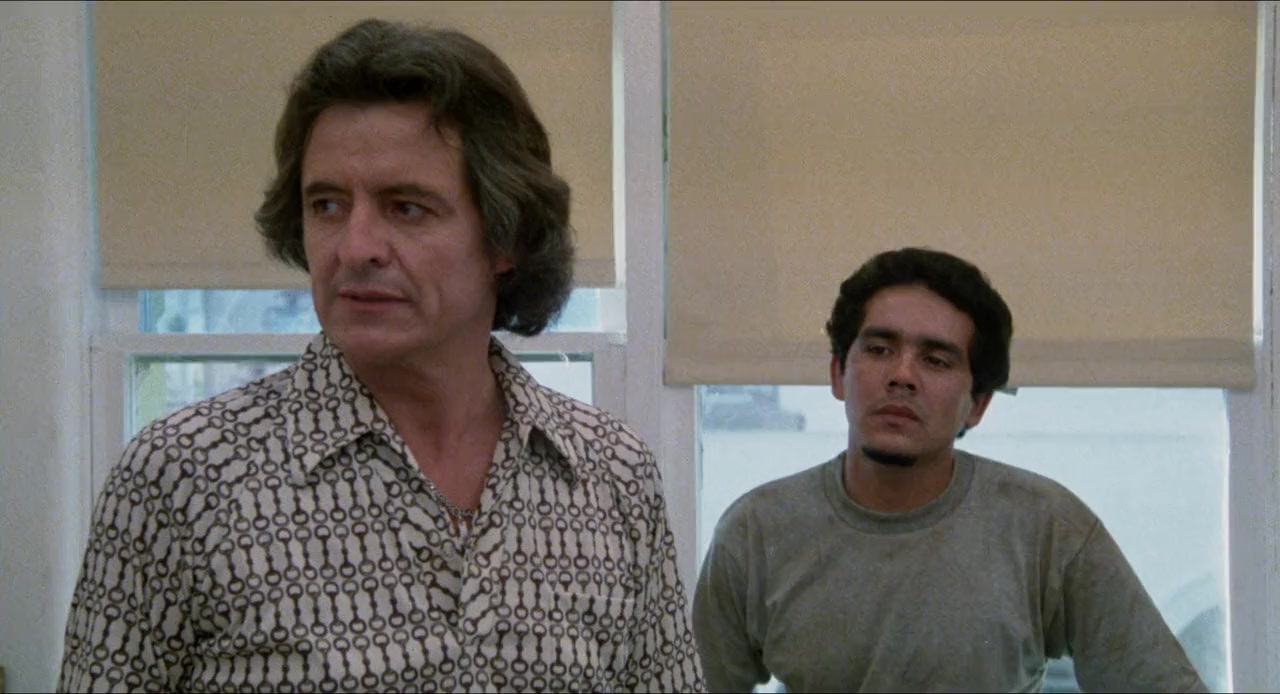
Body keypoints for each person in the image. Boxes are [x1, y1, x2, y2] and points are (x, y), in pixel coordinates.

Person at [59, 18, 703, 693]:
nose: (355, 246)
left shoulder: (613, 477)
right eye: (327, 205)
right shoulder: (184, 478)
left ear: (505, 237)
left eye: (407, 208)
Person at [691, 247, 1206, 692]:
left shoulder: (1047, 528)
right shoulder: (757, 532)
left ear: (976, 404)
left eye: (936, 360)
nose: (902, 376)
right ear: (837, 374)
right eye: (879, 349)